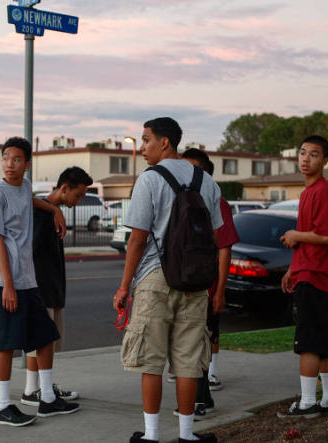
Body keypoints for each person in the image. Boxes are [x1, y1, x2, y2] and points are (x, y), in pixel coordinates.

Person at [113, 117, 222, 443]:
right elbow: (214, 237)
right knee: (189, 362)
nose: (143, 147)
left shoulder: (150, 180)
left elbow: (137, 239)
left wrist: (124, 286)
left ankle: (152, 435)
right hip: (195, 282)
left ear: (165, 143)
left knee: (151, 359)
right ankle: (187, 435)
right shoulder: (207, 181)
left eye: (146, 140)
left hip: (155, 278)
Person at [0, 136, 80, 427]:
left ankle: (47, 398)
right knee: (5, 345)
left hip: (27, 281)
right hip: (4, 281)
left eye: (15, 159)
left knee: (46, 336)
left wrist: (55, 209)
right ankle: (1, 406)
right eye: (5, 158)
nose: (9, 164)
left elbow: (33, 200)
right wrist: (8, 286)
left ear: (27, 164)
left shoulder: (23, 186)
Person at [278, 135, 328, 418]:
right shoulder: (308, 193)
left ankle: (307, 404)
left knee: (309, 342)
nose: (306, 159)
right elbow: (313, 238)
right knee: (327, 344)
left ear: (325, 161)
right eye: (303, 153)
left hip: (318, 278)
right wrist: (293, 268)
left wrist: (294, 235)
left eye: (313, 154)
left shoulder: (324, 192)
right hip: (315, 274)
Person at [20, 166, 93, 406]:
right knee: (40, 341)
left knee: (47, 341)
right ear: (64, 188)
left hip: (52, 288)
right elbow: (28, 252)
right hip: (41, 289)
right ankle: (33, 390)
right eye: (78, 195)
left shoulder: (52, 212)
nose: (79, 201)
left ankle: (41, 387)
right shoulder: (42, 214)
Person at [177, 149, 240, 421]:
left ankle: (199, 400)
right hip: (186, 283)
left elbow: (225, 248)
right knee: (190, 343)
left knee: (197, 344)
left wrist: (220, 290)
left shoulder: (217, 202)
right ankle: (204, 396)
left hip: (207, 286)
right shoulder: (185, 201)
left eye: (190, 168)